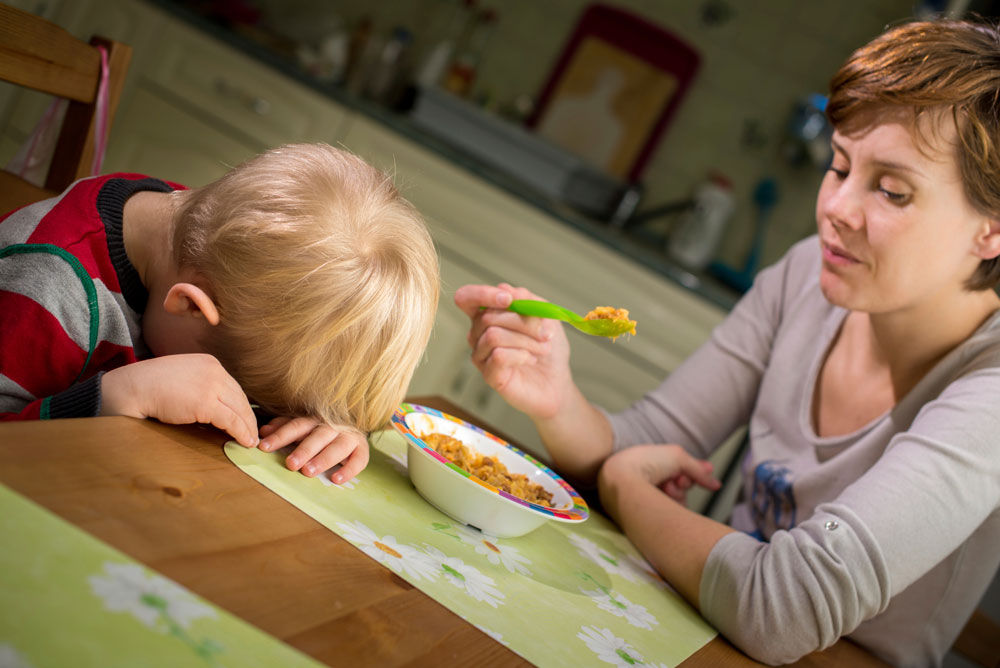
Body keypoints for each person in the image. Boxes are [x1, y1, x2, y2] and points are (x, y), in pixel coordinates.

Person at [455, 18, 1000, 667]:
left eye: (891, 190)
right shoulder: (807, 274)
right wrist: (555, 399)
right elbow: (640, 442)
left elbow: (783, 610)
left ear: (991, 232)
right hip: (704, 630)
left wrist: (628, 490)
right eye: (840, 166)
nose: (836, 209)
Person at [1, 143, 439, 484]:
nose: (238, 400)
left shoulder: (210, 238)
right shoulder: (47, 287)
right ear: (190, 305)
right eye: (243, 388)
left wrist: (330, 423)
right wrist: (115, 397)